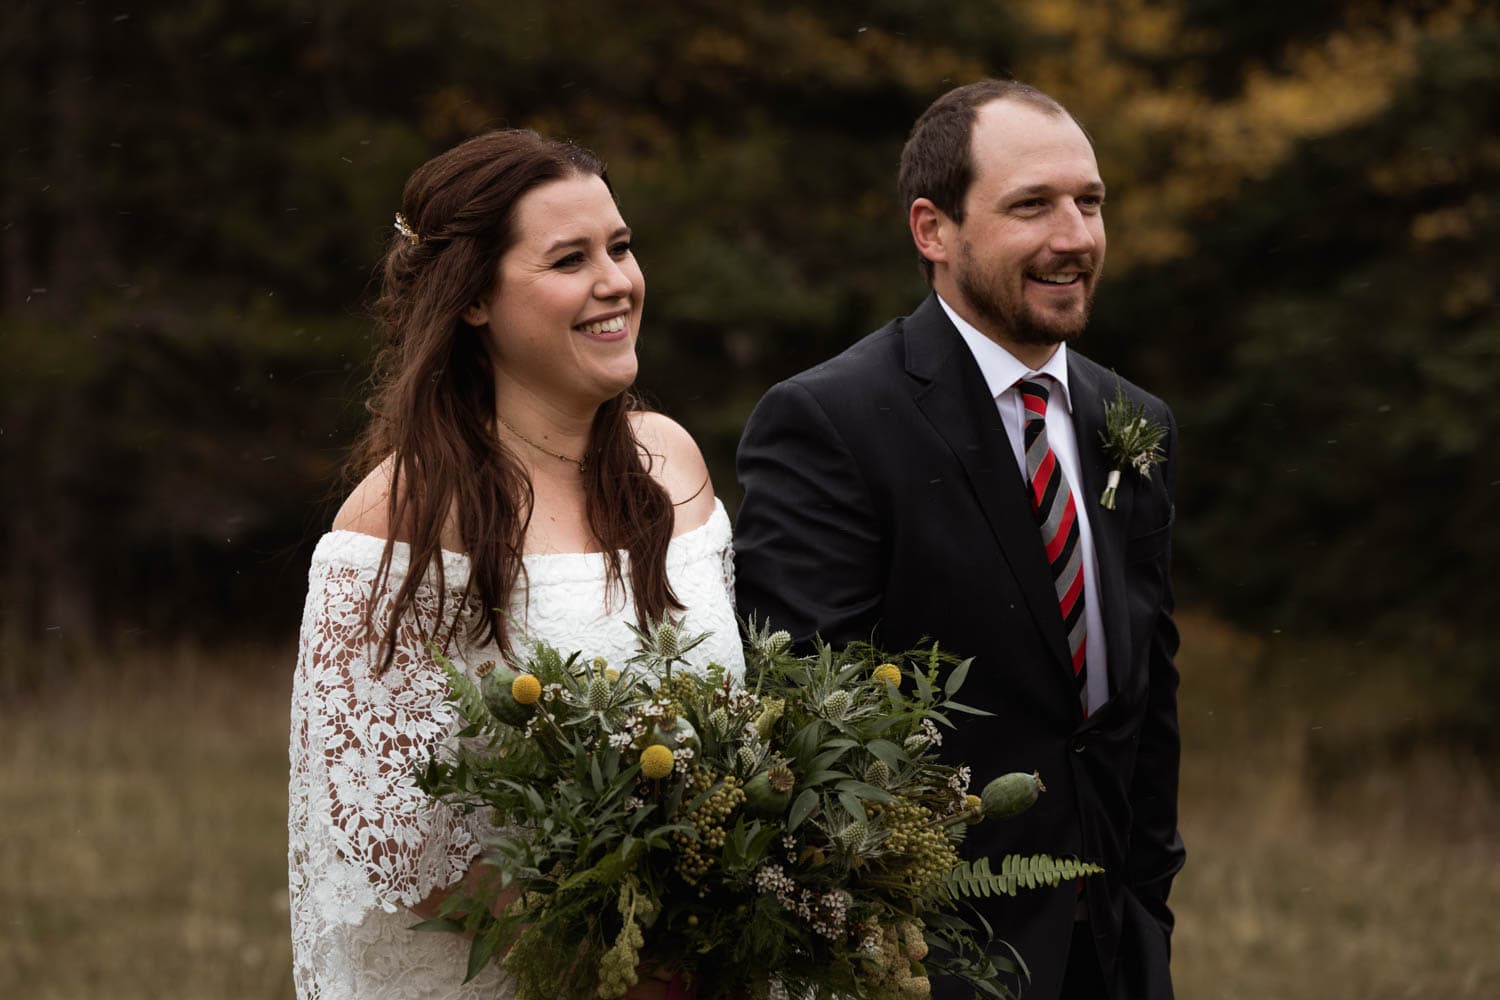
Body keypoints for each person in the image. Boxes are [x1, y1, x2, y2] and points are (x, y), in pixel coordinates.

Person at [734, 80, 1184, 1000]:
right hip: (933, 954)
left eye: (1089, 202)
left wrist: (1147, 901)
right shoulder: (830, 421)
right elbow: (810, 722)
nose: (1075, 237)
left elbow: (1149, 696)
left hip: (1115, 950)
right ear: (932, 230)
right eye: (1032, 206)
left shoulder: (1133, 420)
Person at [287, 129, 743, 1000]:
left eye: (621, 246)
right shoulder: (410, 513)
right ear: (474, 301)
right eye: (569, 259)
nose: (616, 281)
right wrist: (619, 946)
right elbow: (383, 833)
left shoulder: (673, 463)